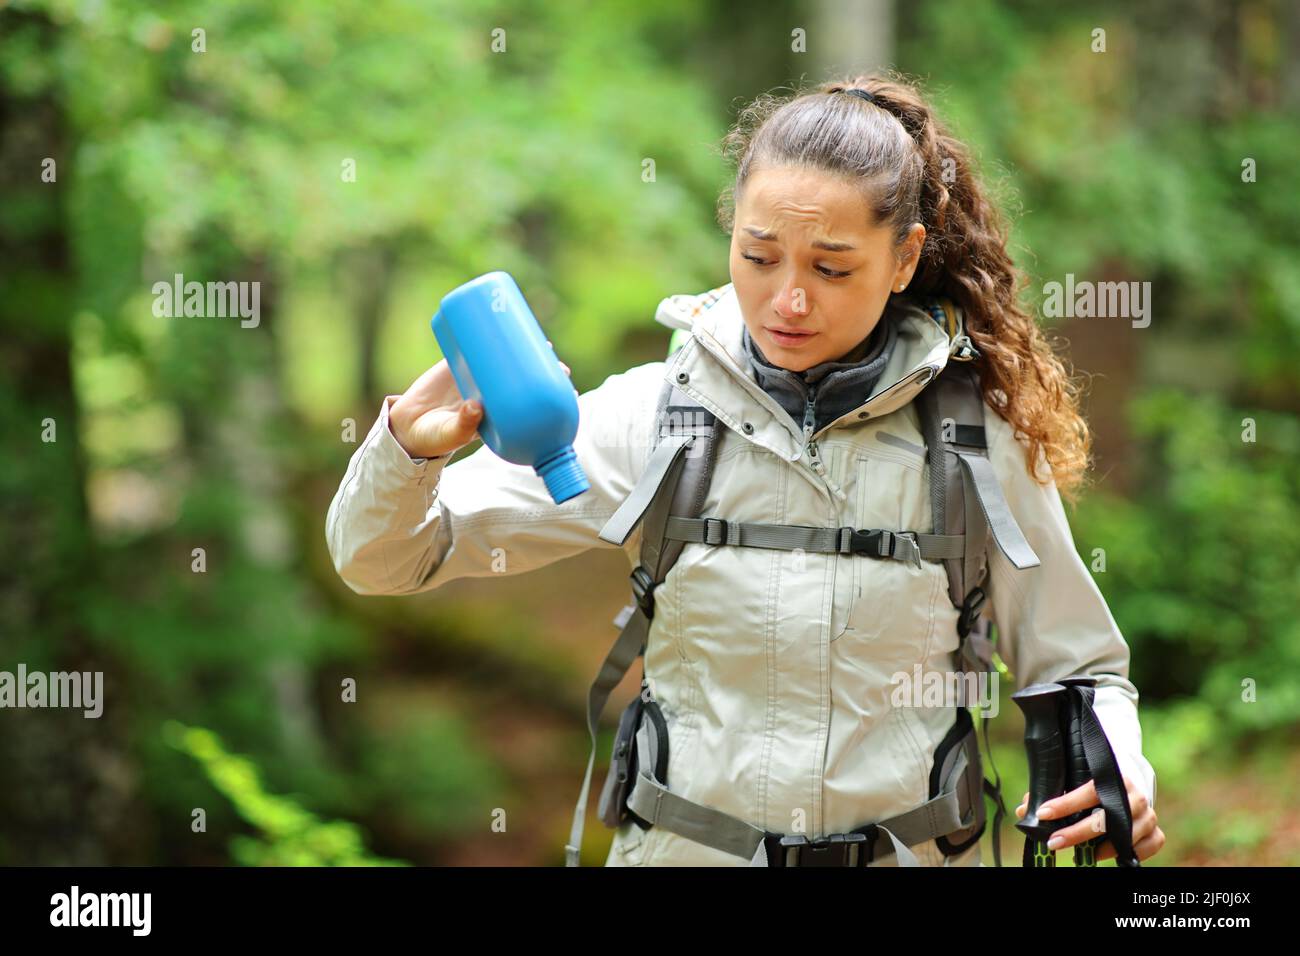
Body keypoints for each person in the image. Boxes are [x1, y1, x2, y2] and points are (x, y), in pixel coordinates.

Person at [325, 71, 1163, 867]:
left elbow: (1079, 668)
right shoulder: (654, 419)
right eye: (759, 256)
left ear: (904, 258)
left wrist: (1119, 760)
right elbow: (382, 559)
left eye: (831, 268)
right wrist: (407, 449)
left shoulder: (973, 440)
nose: (788, 300)